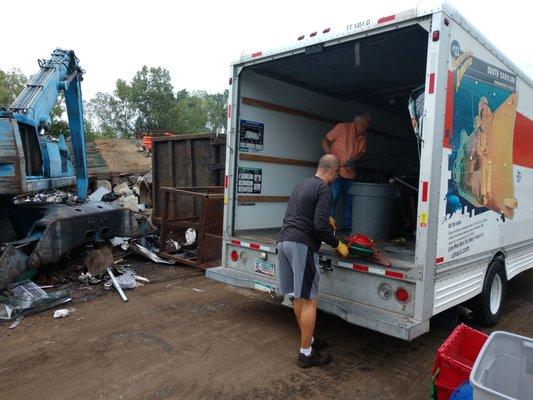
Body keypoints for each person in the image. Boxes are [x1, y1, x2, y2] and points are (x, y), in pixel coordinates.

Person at [277, 154, 349, 368]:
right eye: (337, 175)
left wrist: (326, 217)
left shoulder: (301, 184)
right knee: (310, 299)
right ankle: (305, 353)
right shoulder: (324, 190)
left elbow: (303, 212)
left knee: (299, 296)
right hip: (302, 244)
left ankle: (309, 340)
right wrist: (337, 244)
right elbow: (319, 227)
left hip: (283, 241)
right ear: (334, 172)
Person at [321, 113, 372, 232]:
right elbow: (324, 140)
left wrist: (355, 159)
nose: (364, 130)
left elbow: (362, 153)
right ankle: (326, 227)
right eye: (363, 126)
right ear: (356, 123)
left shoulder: (363, 137)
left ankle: (347, 228)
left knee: (349, 203)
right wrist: (330, 157)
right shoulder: (342, 128)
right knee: (332, 198)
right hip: (335, 173)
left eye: (366, 127)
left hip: (350, 174)